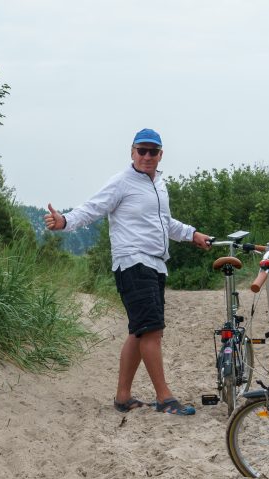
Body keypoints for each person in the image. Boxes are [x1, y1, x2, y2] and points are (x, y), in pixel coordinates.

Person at [45, 128, 211, 416]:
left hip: (156, 263)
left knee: (139, 330)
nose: (147, 156)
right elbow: (92, 208)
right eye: (141, 150)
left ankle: (123, 397)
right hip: (133, 263)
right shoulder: (121, 182)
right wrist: (64, 221)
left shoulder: (159, 184)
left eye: (152, 151)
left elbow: (165, 222)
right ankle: (165, 398)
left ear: (161, 155)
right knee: (152, 331)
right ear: (132, 152)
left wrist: (192, 234)